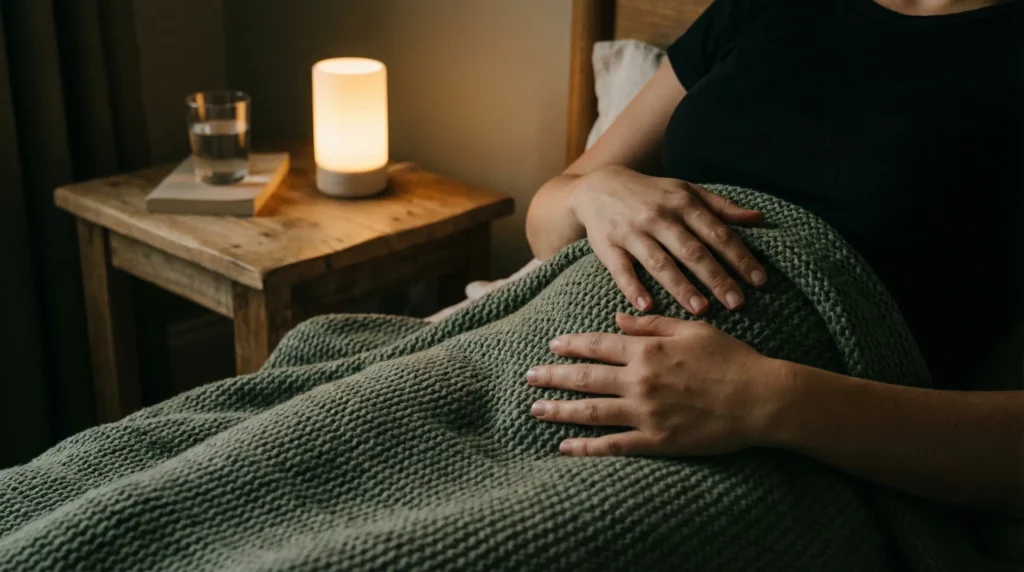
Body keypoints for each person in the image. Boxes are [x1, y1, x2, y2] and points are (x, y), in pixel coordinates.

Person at [524, 0, 1023, 511]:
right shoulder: (758, 8)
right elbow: (545, 220)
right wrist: (596, 191)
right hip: (529, 363)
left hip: (778, 463)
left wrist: (768, 400)